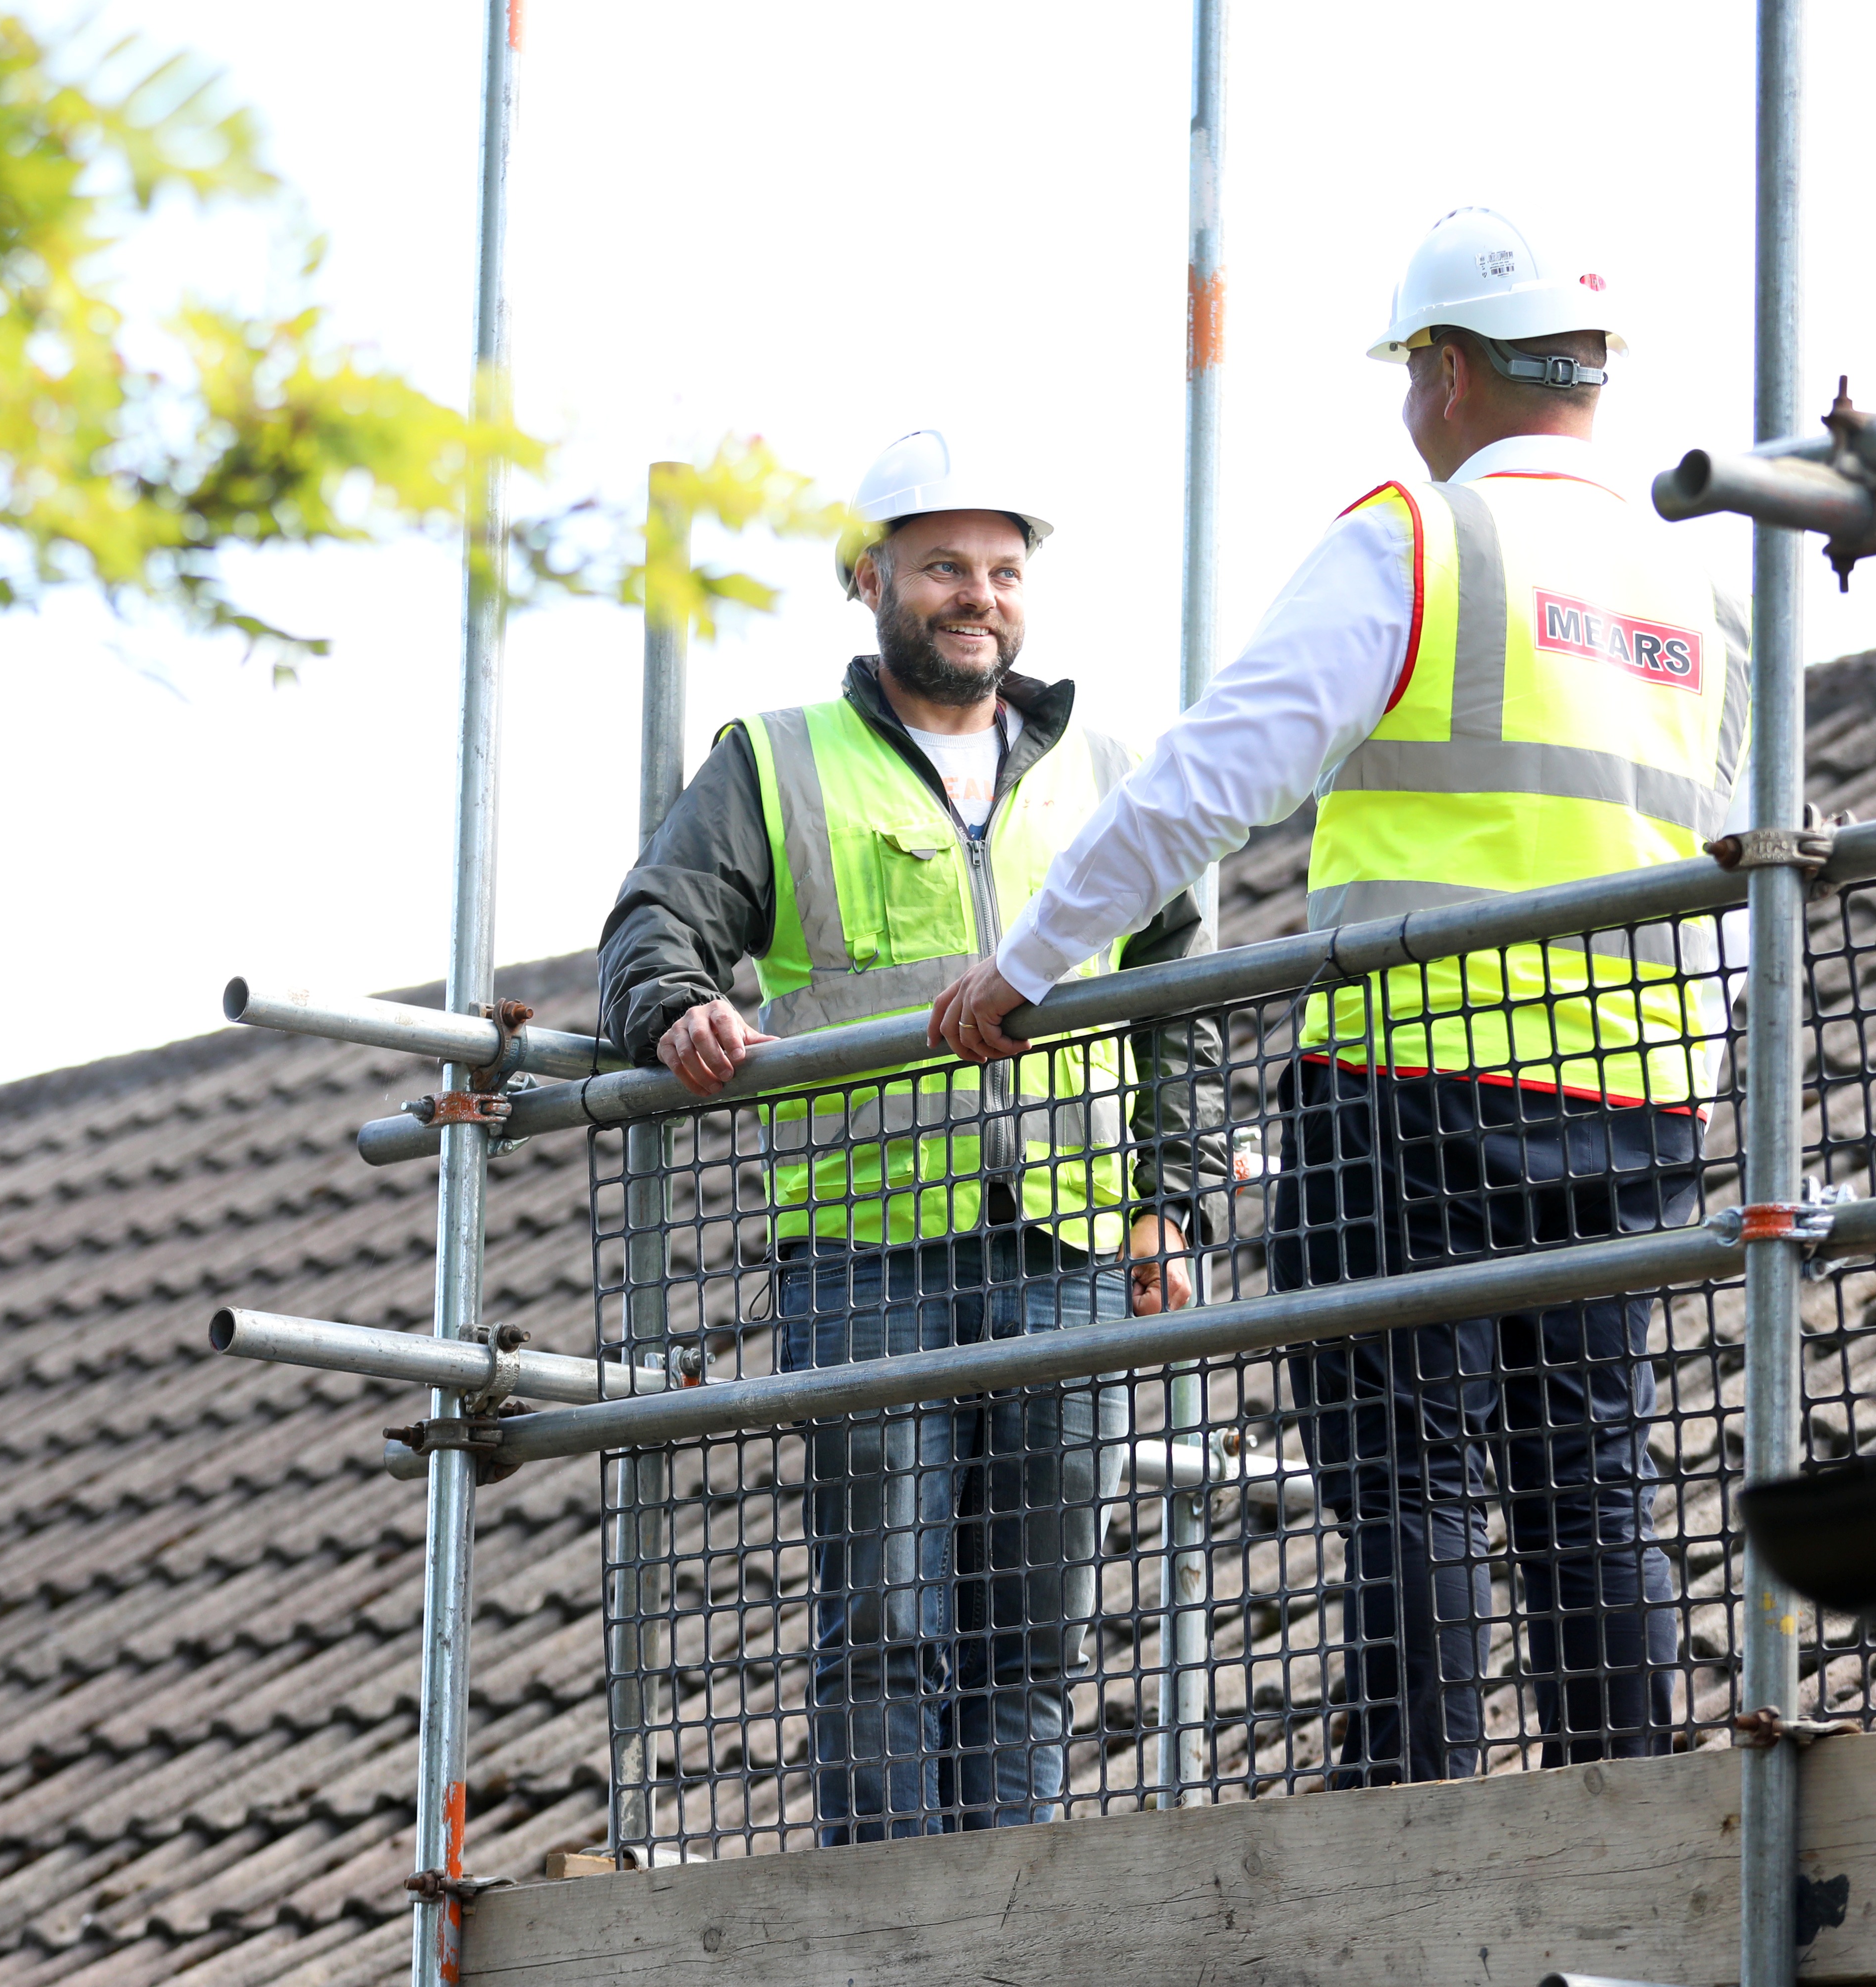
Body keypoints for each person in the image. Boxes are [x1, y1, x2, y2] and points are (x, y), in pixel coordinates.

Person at [930, 212, 1747, 1783]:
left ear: (1442, 372)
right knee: (1590, 1479)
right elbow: (1734, 867)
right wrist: (1698, 1079)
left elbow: (1201, 788)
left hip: (1413, 1089)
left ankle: (1412, 1804)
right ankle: (1624, 1800)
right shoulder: (1697, 591)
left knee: (1407, 1474)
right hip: (1636, 1102)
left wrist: (1025, 970)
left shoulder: (1418, 537)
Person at [598, 429, 1227, 1839]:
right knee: (885, 1620)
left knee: (1039, 1634)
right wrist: (678, 1007)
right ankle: (885, 1916)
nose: (977, 596)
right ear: (869, 579)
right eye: (943, 566)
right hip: (869, 1253)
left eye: (1003, 571)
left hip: (1069, 1248)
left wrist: (1168, 1210)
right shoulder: (778, 760)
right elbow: (655, 923)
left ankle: (1000, 1919)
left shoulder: (1110, 771)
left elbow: (1184, 1005)